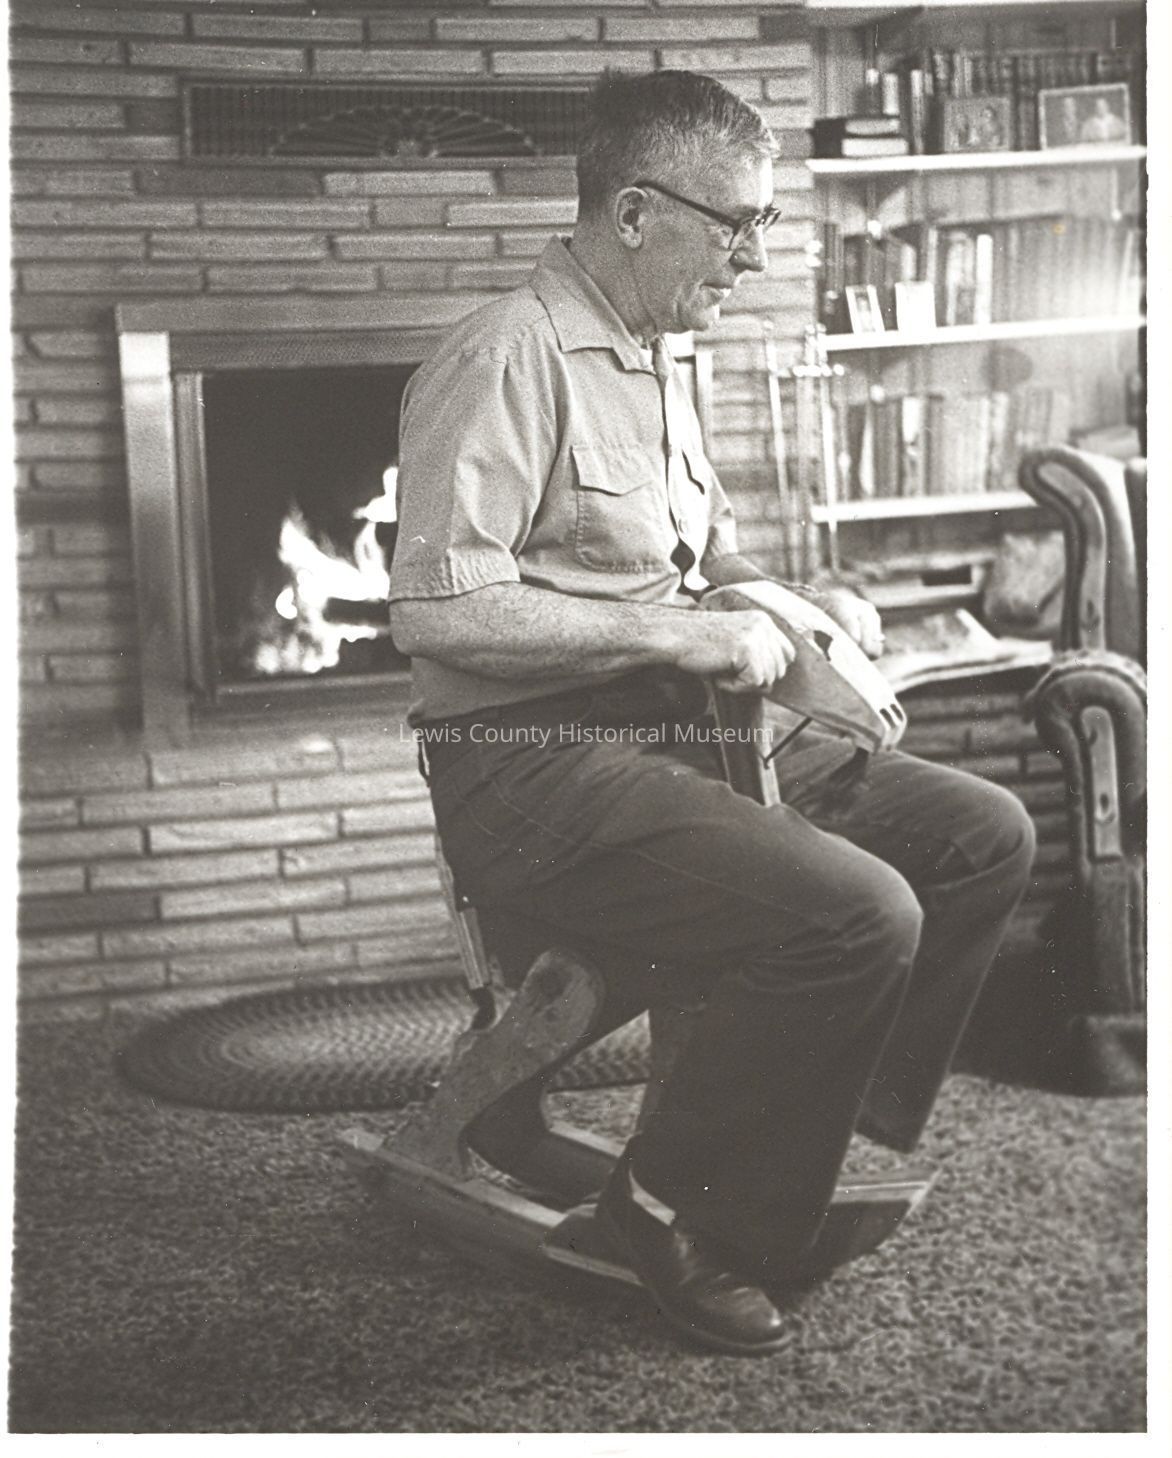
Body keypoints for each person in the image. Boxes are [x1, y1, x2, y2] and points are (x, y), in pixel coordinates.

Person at [388, 70, 1035, 1357]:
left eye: (761, 223)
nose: (754, 255)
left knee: (981, 837)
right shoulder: (504, 353)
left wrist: (802, 604)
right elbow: (438, 610)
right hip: (527, 771)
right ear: (634, 211)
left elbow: (702, 561)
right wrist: (682, 634)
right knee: (860, 911)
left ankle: (794, 1127)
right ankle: (663, 1202)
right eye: (734, 223)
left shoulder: (654, 357)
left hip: (680, 731)